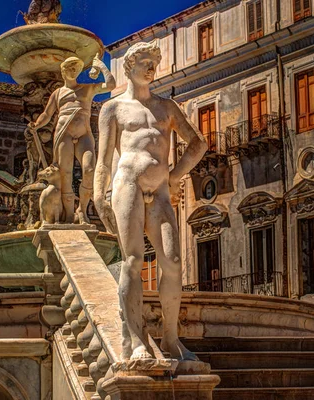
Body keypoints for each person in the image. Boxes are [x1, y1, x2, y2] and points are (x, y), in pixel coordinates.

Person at [93, 42, 207, 361]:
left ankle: (171, 339)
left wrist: (175, 176)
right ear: (128, 67)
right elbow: (103, 160)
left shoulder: (166, 107)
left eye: (154, 62)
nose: (151, 67)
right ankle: (135, 339)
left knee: (171, 261)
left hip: (159, 190)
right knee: (132, 260)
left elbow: (198, 143)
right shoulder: (112, 109)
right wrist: (98, 195)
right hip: (126, 183)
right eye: (145, 61)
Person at [30, 53, 115, 224]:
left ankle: (81, 210)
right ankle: (69, 215)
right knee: (65, 174)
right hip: (64, 134)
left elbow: (111, 84)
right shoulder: (58, 93)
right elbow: (47, 114)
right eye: (69, 67)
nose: (73, 70)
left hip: (84, 134)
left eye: (76, 68)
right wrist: (36, 124)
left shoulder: (87, 89)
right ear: (62, 71)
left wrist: (100, 65)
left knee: (90, 170)